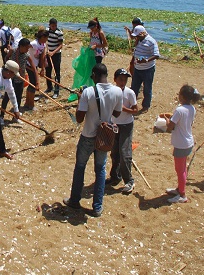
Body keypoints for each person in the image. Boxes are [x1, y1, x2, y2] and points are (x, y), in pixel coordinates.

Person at [63, 63, 123, 217]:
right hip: (105, 136)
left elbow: (79, 118)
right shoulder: (117, 91)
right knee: (100, 170)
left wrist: (79, 99)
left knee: (80, 167)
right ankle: (97, 207)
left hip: (88, 135)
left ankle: (75, 200)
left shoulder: (88, 92)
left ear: (95, 75)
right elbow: (116, 113)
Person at [160, 85, 201, 203]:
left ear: (182, 96)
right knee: (183, 168)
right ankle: (179, 188)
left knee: (180, 170)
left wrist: (166, 119)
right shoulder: (192, 108)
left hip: (181, 143)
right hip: (188, 141)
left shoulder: (179, 110)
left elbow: (170, 126)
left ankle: (182, 194)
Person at [106, 68, 138, 193]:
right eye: (120, 79)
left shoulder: (130, 93)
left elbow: (135, 110)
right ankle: (115, 176)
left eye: (125, 79)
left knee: (125, 153)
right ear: (115, 80)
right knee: (114, 152)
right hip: (114, 125)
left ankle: (129, 180)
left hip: (126, 125)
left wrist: (124, 109)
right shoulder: (111, 92)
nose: (123, 81)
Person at [0, 38, 36, 123]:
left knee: (18, 98)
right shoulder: (13, 51)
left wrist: (37, 82)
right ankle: (1, 116)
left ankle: (16, 117)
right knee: (6, 97)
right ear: (22, 46)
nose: (28, 49)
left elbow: (34, 68)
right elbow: (6, 58)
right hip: (11, 79)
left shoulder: (26, 55)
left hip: (21, 79)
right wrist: (9, 66)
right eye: (27, 48)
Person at [130, 25, 160, 114]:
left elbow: (156, 55)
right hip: (138, 68)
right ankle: (132, 104)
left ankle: (146, 106)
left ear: (143, 33)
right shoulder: (138, 41)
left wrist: (146, 60)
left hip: (148, 69)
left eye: (138, 36)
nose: (137, 38)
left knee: (147, 88)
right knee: (134, 87)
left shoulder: (151, 41)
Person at [24, 29, 47, 110]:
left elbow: (43, 56)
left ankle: (27, 103)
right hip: (29, 65)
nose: (46, 40)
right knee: (33, 84)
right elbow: (25, 48)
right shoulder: (34, 43)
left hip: (35, 65)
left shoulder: (43, 44)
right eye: (46, 38)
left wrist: (43, 69)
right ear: (42, 37)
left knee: (32, 84)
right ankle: (31, 104)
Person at [45, 18, 64, 98]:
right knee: (48, 71)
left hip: (56, 55)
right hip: (48, 53)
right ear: (49, 25)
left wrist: (53, 52)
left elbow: (60, 45)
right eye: (52, 26)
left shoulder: (59, 33)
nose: (54, 27)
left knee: (56, 73)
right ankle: (49, 87)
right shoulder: (47, 31)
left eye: (55, 26)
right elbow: (45, 40)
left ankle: (56, 91)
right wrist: (47, 51)